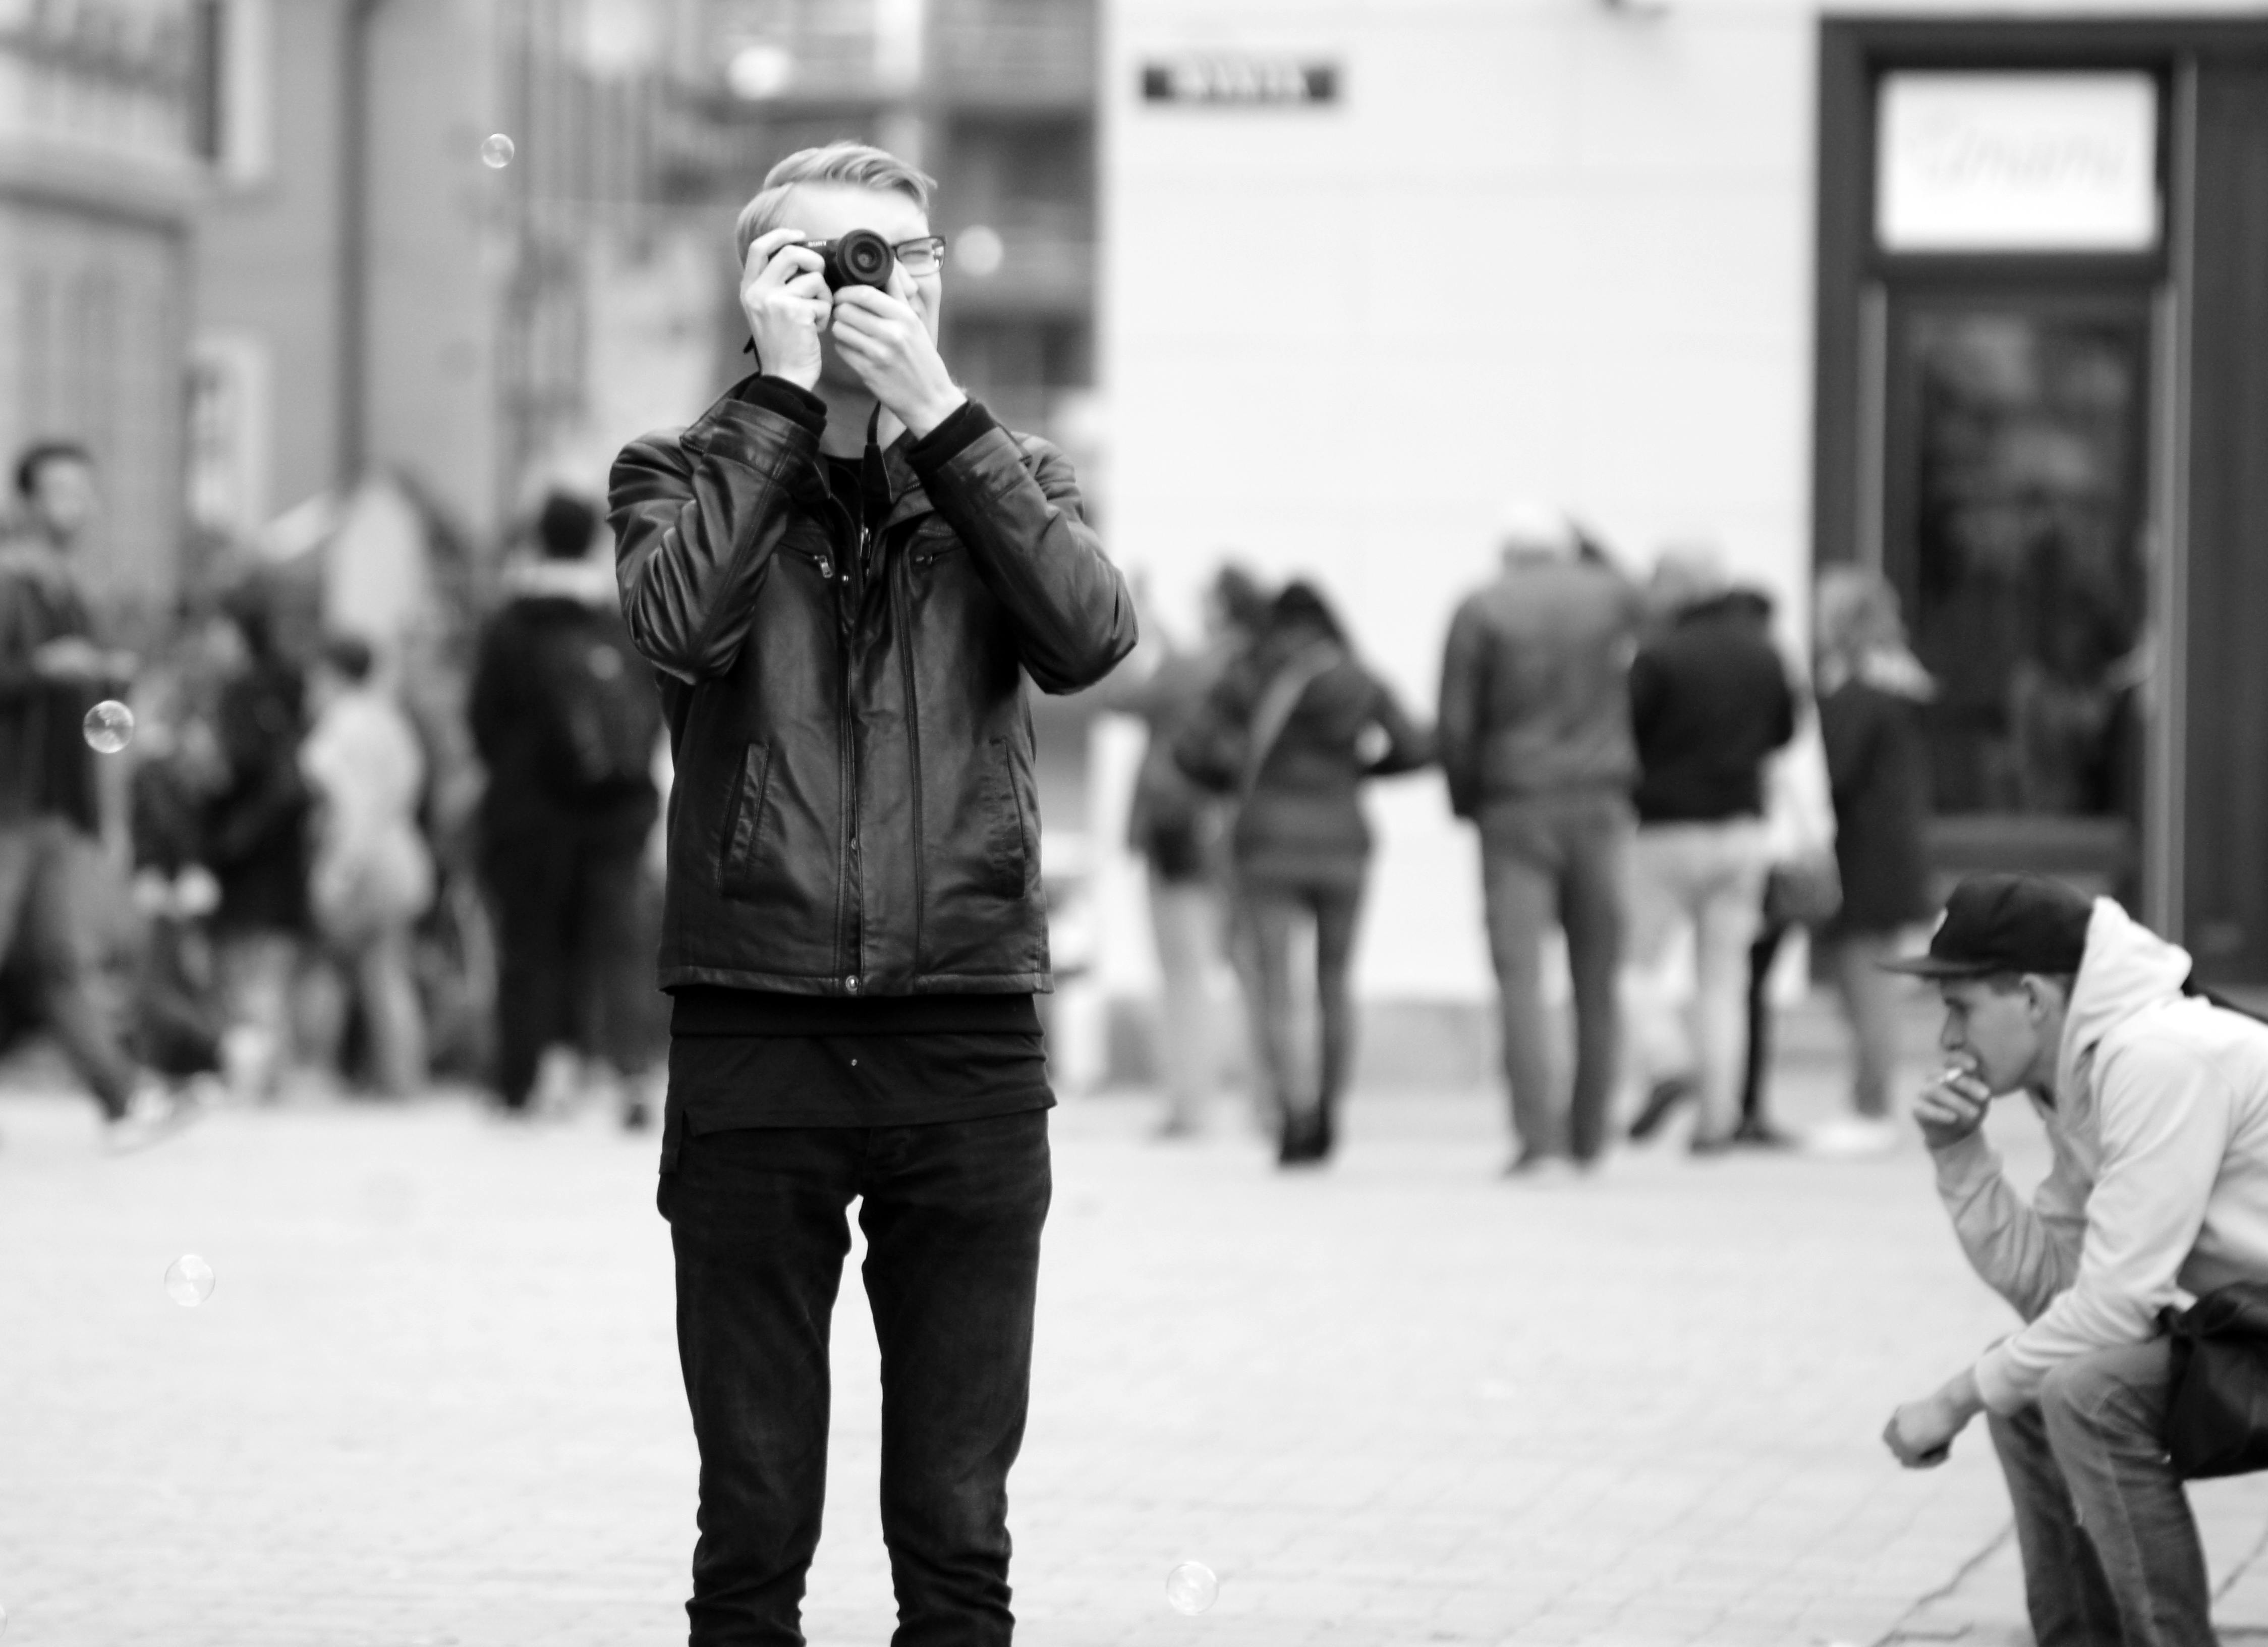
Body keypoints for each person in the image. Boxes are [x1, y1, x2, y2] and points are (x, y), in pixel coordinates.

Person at [607, 142, 1133, 1645]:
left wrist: (939, 415)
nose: (860, 287)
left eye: (894, 261)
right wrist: (776, 402)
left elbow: (1091, 636)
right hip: (753, 1026)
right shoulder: (675, 470)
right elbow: (677, 629)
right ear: (757, 280)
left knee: (960, 1528)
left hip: (963, 1030)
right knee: (754, 1516)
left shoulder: (1004, 469)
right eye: (824, 259)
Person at [1882, 873, 2268, 1647]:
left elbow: (2116, 1307)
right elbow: (2056, 1291)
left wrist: (1952, 1401)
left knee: (2088, 1391)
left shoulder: (2159, 1059)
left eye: (1960, 1009)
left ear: (2031, 998)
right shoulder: (2080, 1077)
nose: (1947, 1041)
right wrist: (1961, 1159)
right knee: (2031, 1386)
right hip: (2251, 1326)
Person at [1177, 581, 1431, 1166]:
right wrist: (1360, 772)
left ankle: (1291, 1114)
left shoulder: (1250, 672)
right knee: (1334, 983)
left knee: (1276, 987)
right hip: (1344, 841)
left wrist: (1237, 778)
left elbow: (1190, 749)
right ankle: (1328, 1114)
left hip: (1267, 845)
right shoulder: (1356, 676)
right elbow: (1418, 746)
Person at [1438, 502, 1643, 1175]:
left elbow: (1457, 723)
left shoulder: (1482, 607)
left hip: (1515, 804)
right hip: (1601, 804)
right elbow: (1661, 614)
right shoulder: (1611, 596)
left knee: (1520, 978)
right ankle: (1591, 1138)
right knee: (1597, 979)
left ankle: (1540, 1140)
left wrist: (1469, 800)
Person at [0, 441, 186, 1146]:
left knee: (58, 962)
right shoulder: (9, 581)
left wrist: (110, 677)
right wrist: (41, 669)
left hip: (54, 803)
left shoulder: (71, 589)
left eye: (84, 491)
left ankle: (122, 1097)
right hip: (7, 802)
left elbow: (98, 707)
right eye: (60, 491)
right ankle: (123, 1095)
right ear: (27, 501)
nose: (75, 505)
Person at [469, 490, 665, 1126]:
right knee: (616, 940)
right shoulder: (616, 621)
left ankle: (532, 1077)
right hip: (614, 814)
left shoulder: (510, 627)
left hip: (530, 815)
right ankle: (629, 1072)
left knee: (532, 942)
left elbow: (483, 723)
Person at [1620, 549, 1795, 1154]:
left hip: (1667, 828)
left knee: (1632, 965)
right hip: (1741, 828)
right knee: (1722, 981)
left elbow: (1626, 732)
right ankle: (1716, 1120)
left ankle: (1666, 1060)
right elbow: (1784, 731)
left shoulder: (1660, 654)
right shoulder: (1763, 650)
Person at [1096, 563, 1270, 1137]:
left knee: (1185, 976)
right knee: (1255, 973)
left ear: (1220, 607)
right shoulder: (1260, 666)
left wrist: (1137, 620)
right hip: (1246, 838)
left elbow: (1120, 694)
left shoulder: (1194, 668)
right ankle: (1272, 1102)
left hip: (1180, 836)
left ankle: (1191, 1107)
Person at [1806, 567, 1936, 1158]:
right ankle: (1869, 1099)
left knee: (1868, 987)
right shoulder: (1900, 685)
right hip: (1888, 851)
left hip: (1863, 855)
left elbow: (1832, 774)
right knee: (1868, 984)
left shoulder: (1860, 695)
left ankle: (1871, 1105)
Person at [299, 634, 432, 1096]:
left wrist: (338, 869)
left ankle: (316, 1071)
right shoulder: (390, 720)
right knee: (388, 971)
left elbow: (350, 805)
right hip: (402, 849)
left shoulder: (339, 725)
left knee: (331, 966)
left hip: (359, 853)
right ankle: (404, 1077)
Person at [200, 590, 312, 1098]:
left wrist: (202, 764)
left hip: (245, 845)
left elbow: (238, 765)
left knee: (246, 970)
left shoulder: (240, 690)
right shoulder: (291, 681)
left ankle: (251, 1078)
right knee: (275, 967)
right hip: (285, 842)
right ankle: (275, 1073)